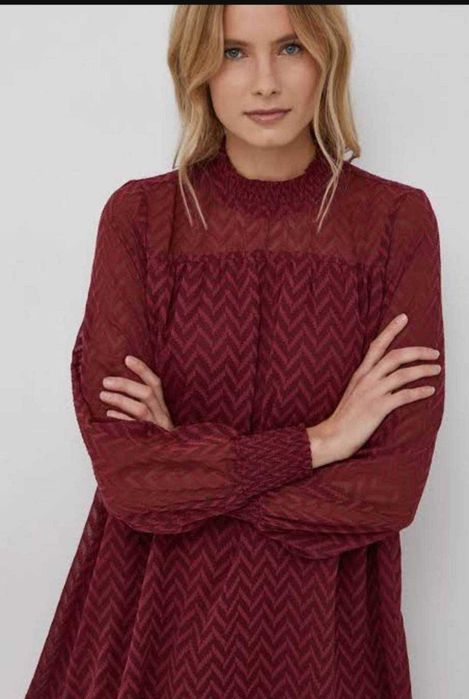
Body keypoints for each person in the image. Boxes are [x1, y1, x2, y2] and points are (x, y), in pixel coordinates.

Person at [25, 5, 445, 698]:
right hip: (146, 625)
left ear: (328, 57)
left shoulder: (395, 225)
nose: (265, 81)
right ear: (196, 68)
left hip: (323, 637)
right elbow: (129, 479)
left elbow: (388, 491)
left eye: (290, 48)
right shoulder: (140, 220)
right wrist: (320, 442)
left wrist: (187, 469)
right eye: (233, 52)